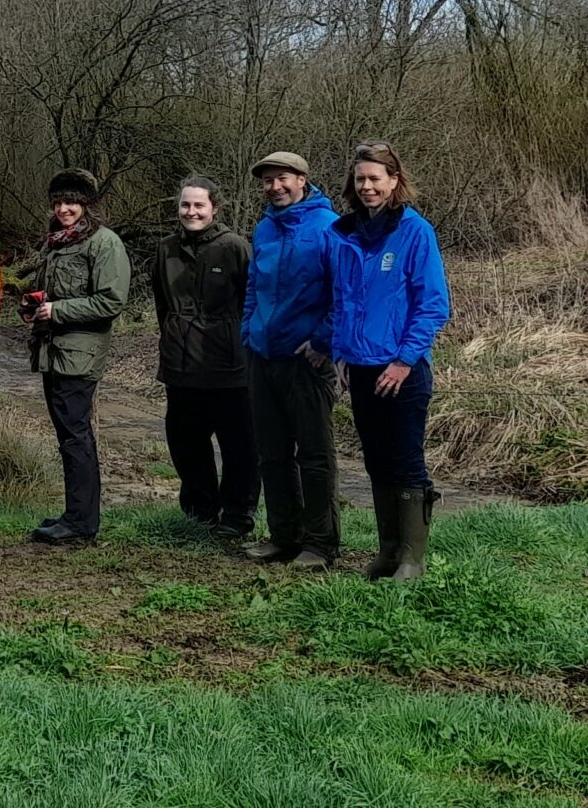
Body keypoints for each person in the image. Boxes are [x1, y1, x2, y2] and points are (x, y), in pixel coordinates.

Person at [323, 141, 452, 581]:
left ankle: (412, 560)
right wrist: (340, 351)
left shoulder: (415, 232)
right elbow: (342, 300)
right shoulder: (345, 233)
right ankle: (387, 552)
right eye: (360, 179)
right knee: (376, 460)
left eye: (375, 178)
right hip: (359, 366)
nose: (367, 186)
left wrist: (403, 360)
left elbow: (432, 304)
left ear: (394, 181)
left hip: (403, 369)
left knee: (405, 460)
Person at [20, 168, 130, 547]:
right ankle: (76, 513)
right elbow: (52, 292)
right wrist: (34, 306)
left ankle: (82, 523)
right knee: (68, 435)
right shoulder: (57, 243)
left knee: (76, 436)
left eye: (71, 202)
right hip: (53, 352)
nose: (64, 208)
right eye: (58, 202)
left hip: (80, 355)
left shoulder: (103, 243)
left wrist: (58, 311)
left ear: (86, 204)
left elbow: (112, 300)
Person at [241, 151, 340, 568]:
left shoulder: (329, 228)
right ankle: (283, 537)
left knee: (314, 456)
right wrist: (249, 329)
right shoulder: (264, 228)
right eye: (267, 181)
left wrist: (322, 341)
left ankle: (320, 544)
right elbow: (253, 286)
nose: (274, 187)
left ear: (302, 180)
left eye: (282, 178)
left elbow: (345, 293)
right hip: (263, 355)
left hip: (306, 360)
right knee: (271, 453)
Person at [148, 175, 258, 537]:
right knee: (185, 442)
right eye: (185, 205)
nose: (191, 212)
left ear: (214, 208)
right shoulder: (166, 249)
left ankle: (238, 515)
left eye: (198, 205)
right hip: (180, 364)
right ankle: (200, 511)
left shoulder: (234, 246)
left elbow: (250, 300)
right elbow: (162, 302)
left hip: (229, 364)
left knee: (238, 444)